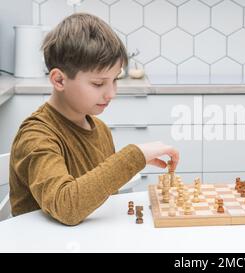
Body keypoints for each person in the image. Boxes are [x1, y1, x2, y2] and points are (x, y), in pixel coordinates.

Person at [9, 13, 179, 226]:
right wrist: (133, 157)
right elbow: (67, 207)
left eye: (114, 80)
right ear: (59, 80)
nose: (111, 94)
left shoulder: (99, 128)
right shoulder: (36, 136)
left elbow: (102, 197)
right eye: (98, 84)